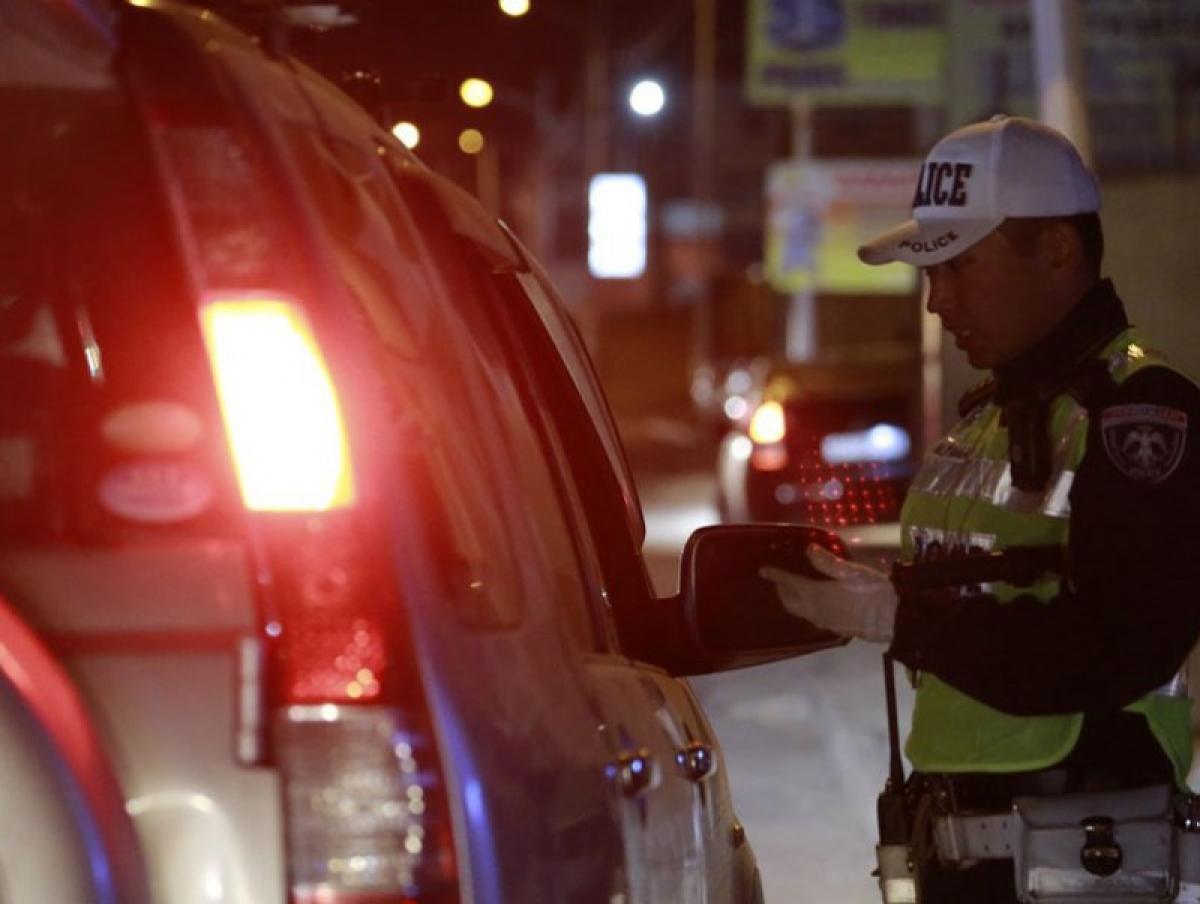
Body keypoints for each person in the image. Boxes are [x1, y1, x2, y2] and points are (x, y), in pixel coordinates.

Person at [761, 114, 1200, 902]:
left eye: (960, 267)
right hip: (967, 862)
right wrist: (882, 593)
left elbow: (1120, 642)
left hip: (1081, 866)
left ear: (1057, 251)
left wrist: (902, 620)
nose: (938, 300)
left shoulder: (1139, 415)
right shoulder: (993, 417)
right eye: (931, 272)